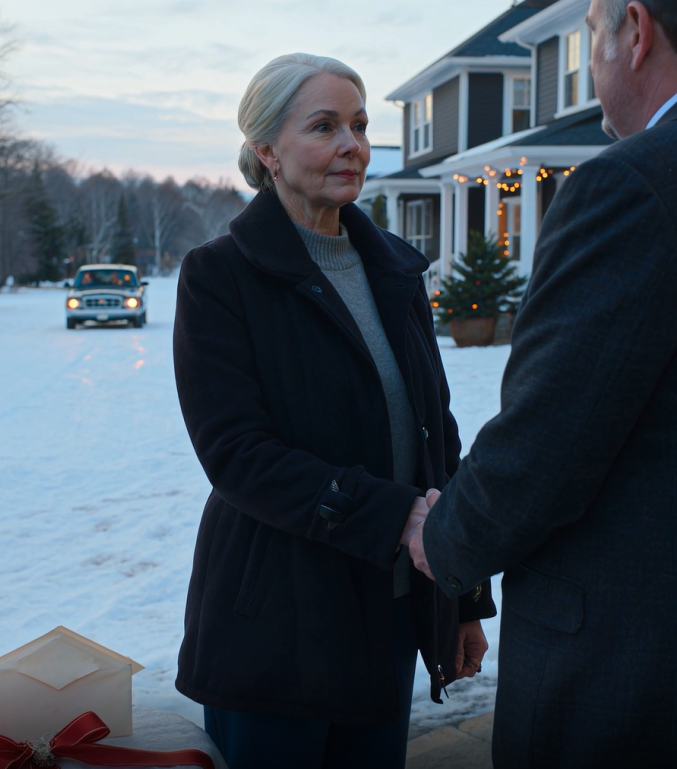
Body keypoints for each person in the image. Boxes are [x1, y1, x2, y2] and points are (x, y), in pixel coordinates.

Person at [173, 53, 495, 769]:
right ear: (266, 150)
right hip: (273, 633)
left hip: (384, 625)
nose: (352, 144)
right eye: (324, 126)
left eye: (359, 124)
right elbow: (236, 452)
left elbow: (436, 437)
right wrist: (396, 518)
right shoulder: (218, 276)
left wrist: (463, 593)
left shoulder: (396, 271)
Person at [406, 1, 677, 766]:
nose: (590, 59)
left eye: (590, 34)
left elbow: (550, 437)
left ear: (636, 30)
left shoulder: (631, 188)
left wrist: (445, 535)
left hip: (628, 661)